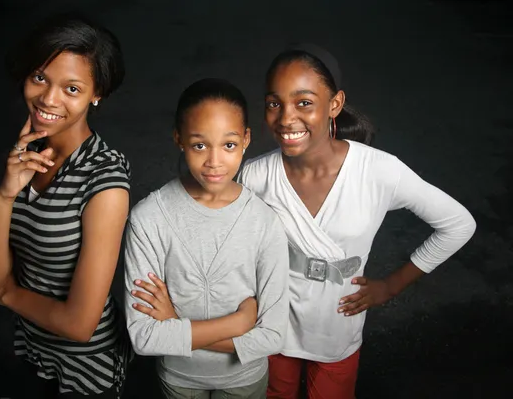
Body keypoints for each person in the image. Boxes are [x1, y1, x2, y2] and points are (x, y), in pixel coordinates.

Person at [238, 48, 477, 399]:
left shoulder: (379, 171)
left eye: (304, 102)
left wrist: (391, 286)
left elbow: (458, 224)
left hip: (338, 329)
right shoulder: (255, 175)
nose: (286, 118)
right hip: (271, 326)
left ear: (335, 104)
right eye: (274, 104)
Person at [0, 13, 132, 398]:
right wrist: (4, 196)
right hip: (33, 350)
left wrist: (6, 294)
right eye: (40, 77)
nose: (48, 99)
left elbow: (80, 323)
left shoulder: (104, 180)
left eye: (72, 89)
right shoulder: (29, 153)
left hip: (85, 369)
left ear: (97, 94)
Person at [123, 78, 289, 399]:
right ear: (179, 139)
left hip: (245, 378)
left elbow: (273, 338)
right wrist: (238, 324)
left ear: (245, 140)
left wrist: (174, 322)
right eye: (200, 145)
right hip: (178, 378)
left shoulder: (264, 221)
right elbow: (144, 337)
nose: (214, 162)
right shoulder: (149, 217)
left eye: (228, 145)